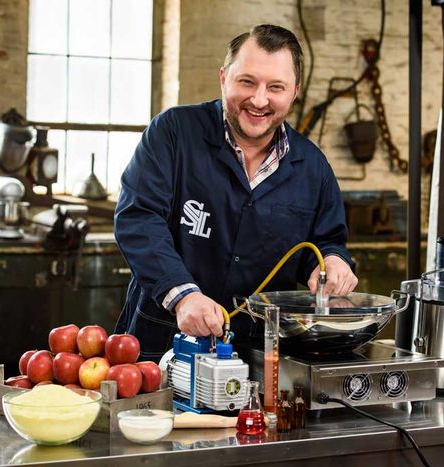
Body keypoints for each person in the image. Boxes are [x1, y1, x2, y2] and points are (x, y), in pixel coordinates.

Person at [114, 24, 358, 362]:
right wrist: (183, 296)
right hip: (162, 339)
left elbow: (326, 242)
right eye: (247, 82)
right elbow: (138, 218)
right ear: (223, 78)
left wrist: (333, 262)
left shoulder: (313, 167)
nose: (259, 100)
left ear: (294, 92)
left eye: (276, 87)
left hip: (259, 353)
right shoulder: (173, 133)